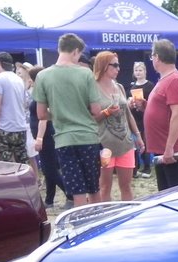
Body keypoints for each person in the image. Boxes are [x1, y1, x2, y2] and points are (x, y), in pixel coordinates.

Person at [32, 33, 107, 206]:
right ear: (75, 51)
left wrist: (59, 112)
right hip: (88, 137)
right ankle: (97, 221)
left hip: (64, 140)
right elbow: (96, 110)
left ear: (59, 49)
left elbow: (41, 114)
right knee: (93, 187)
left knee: (77, 190)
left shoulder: (43, 76)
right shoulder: (85, 73)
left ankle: (81, 225)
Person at [93, 52, 144, 201]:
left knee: (126, 185)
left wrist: (138, 136)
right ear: (103, 66)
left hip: (125, 143)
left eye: (118, 65)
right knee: (105, 187)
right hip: (104, 146)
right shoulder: (93, 88)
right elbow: (91, 118)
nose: (118, 68)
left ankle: (127, 218)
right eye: (114, 65)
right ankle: (106, 218)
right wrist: (107, 112)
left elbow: (127, 114)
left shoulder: (119, 86)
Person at [144, 38, 178, 191]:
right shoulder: (165, 79)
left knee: (176, 197)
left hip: (171, 151)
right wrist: (145, 106)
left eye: (152, 56)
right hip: (163, 149)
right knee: (165, 194)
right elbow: (164, 110)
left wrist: (169, 147)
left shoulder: (174, 80)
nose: (152, 60)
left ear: (157, 57)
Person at [27, 66, 68, 209]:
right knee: (50, 167)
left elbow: (43, 118)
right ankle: (49, 199)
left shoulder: (42, 92)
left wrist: (39, 138)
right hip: (45, 134)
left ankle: (69, 194)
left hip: (45, 135)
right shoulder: (41, 90)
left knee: (49, 168)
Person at [0, 51, 30, 165]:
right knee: (23, 160)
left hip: (5, 127)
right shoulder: (18, 79)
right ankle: (29, 182)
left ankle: (10, 182)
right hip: (20, 126)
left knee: (6, 163)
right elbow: (25, 102)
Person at [128, 61, 153, 178]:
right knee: (135, 143)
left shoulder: (150, 86)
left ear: (145, 71)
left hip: (146, 117)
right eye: (136, 70)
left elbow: (153, 102)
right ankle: (136, 167)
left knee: (145, 142)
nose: (138, 72)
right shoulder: (132, 87)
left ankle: (147, 167)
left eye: (140, 70)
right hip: (135, 118)